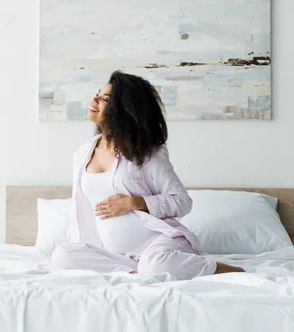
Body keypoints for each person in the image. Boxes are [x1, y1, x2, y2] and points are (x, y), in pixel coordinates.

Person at [51, 71, 248, 280]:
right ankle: (135, 273)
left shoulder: (147, 152)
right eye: (98, 94)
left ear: (124, 109)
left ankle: (223, 269)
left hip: (160, 245)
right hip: (119, 257)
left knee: (155, 264)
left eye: (105, 98)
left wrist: (135, 202)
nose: (95, 99)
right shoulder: (83, 154)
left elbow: (182, 202)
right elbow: (82, 212)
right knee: (62, 255)